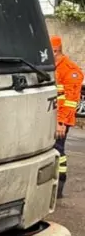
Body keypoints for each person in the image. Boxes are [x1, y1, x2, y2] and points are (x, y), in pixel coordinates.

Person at [52, 35, 82, 198]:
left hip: (61, 120)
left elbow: (71, 101)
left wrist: (61, 122)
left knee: (58, 150)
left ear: (56, 51)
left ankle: (59, 185)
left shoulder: (71, 70)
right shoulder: (52, 66)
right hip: (49, 115)